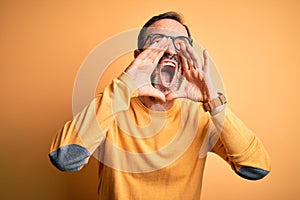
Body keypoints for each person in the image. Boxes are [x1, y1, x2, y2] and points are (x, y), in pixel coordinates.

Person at [49, 11, 271, 199]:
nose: (171, 52)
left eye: (181, 46)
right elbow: (65, 158)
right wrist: (126, 84)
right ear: (139, 56)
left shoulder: (200, 116)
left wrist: (214, 102)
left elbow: (256, 167)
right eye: (158, 43)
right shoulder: (113, 106)